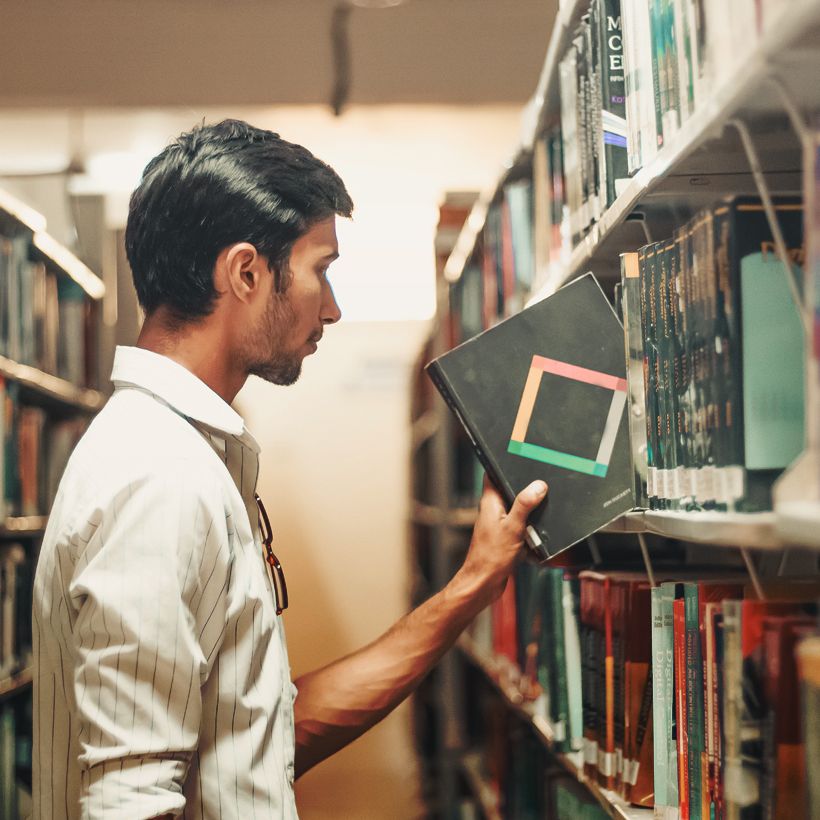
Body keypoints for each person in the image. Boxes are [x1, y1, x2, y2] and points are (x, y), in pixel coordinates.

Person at [32, 119, 548, 820]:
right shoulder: (157, 478)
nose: (331, 308)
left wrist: (474, 582)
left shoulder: (185, 456)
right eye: (321, 270)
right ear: (245, 272)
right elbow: (130, 801)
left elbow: (263, 735)